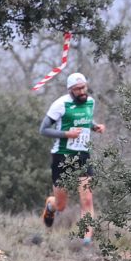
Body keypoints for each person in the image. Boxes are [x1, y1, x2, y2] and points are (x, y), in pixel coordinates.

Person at [41, 71, 105, 243]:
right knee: (61, 205)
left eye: (83, 87)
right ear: (70, 90)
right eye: (77, 89)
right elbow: (44, 129)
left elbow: (86, 120)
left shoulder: (90, 102)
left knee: (87, 198)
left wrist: (95, 127)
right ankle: (50, 205)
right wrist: (66, 134)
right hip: (62, 157)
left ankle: (86, 240)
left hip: (83, 155)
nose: (82, 91)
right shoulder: (60, 105)